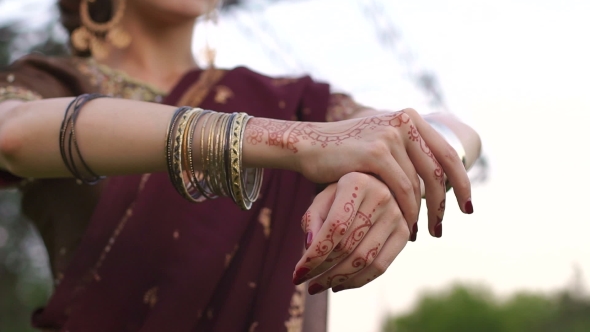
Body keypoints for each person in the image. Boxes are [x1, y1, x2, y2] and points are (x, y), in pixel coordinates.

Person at [0, 0, 481, 331]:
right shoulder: (48, 82)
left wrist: (390, 177)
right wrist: (291, 141)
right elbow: (13, 132)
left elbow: (452, 131)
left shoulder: (292, 100)